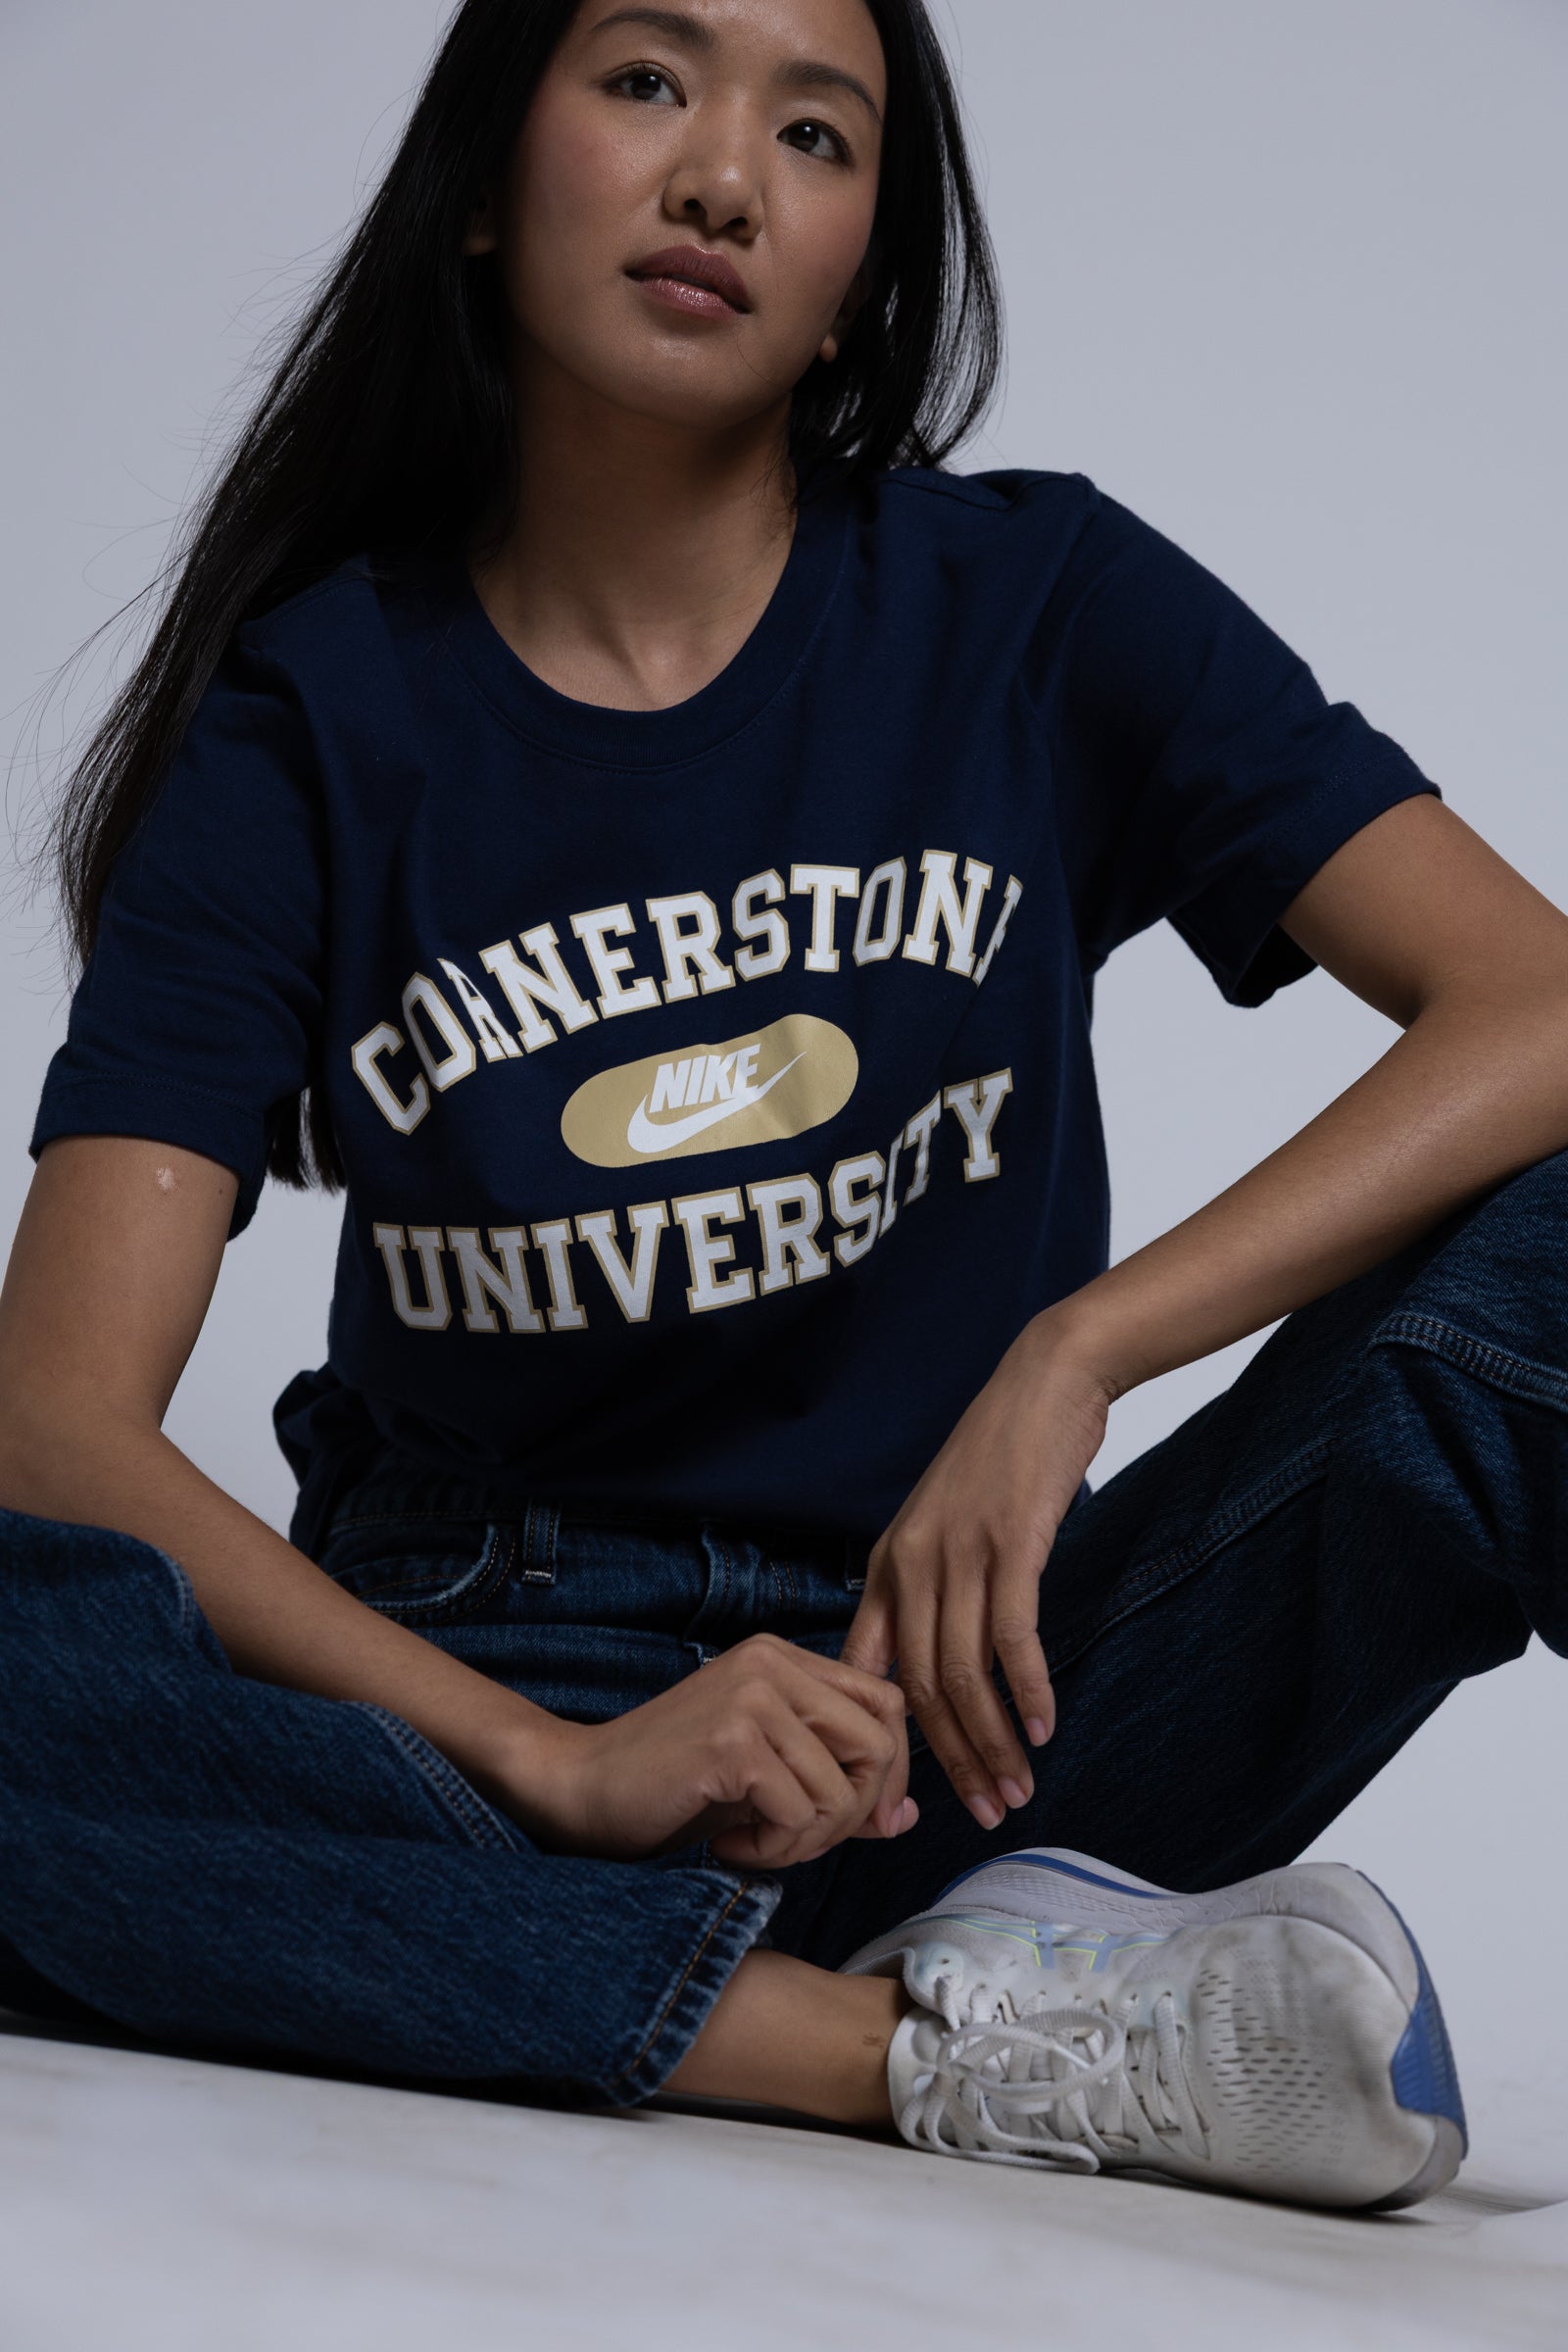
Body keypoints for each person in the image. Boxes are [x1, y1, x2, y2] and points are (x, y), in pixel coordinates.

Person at [1, 0, 1564, 2210]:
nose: (723, 172)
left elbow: (1537, 1004)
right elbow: (53, 1431)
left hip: (993, 1707)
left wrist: (1072, 1351)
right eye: (645, 80)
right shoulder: (317, 725)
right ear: (477, 181)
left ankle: (778, 1972)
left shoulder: (1028, 607)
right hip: (480, 1711)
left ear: (860, 275)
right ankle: (911, 2046)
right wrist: (561, 1768)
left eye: (812, 131)